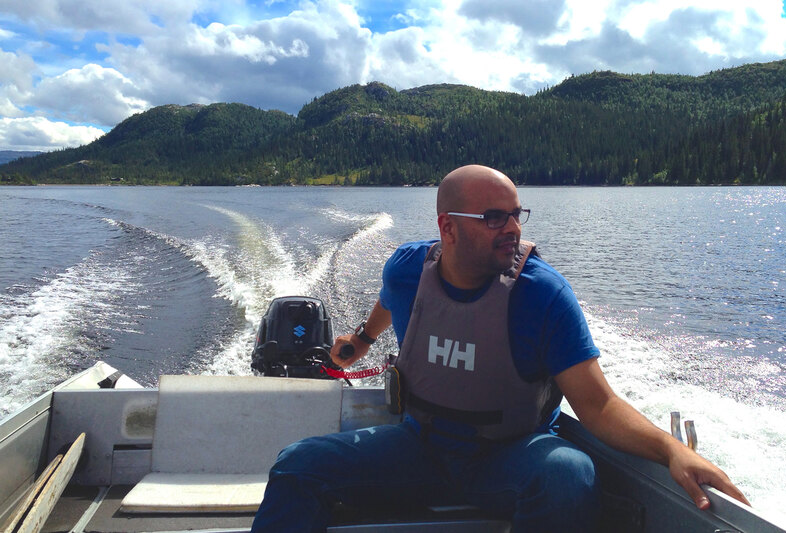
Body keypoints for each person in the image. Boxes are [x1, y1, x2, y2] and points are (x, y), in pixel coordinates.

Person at [251, 164, 749, 532]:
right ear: (448, 227)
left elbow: (597, 405)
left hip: (509, 458)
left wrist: (672, 449)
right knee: (297, 465)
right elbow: (389, 300)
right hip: (417, 447)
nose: (511, 229)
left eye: (515, 215)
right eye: (493, 217)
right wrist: (362, 339)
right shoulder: (406, 269)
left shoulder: (542, 294)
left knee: (568, 472)